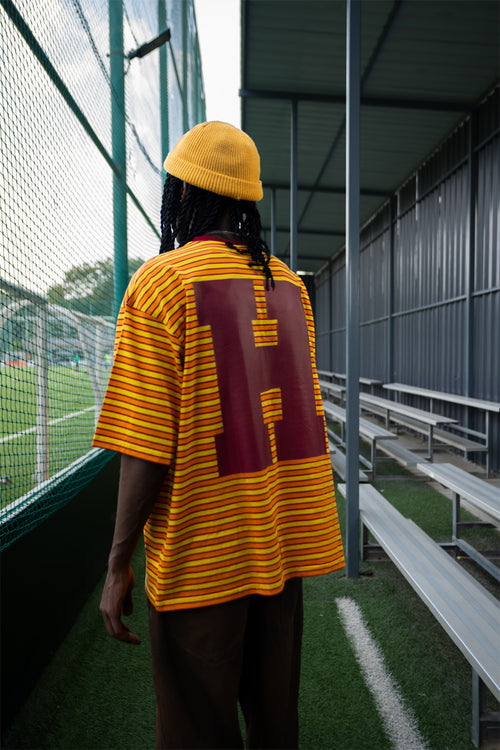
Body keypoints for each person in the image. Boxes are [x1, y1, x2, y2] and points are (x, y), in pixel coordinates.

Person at [93, 121, 344, 749]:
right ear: (245, 199)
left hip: (203, 558)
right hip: (282, 547)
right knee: (275, 726)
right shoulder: (289, 285)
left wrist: (118, 562)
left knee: (195, 735)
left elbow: (146, 445)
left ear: (182, 195)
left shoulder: (162, 281)